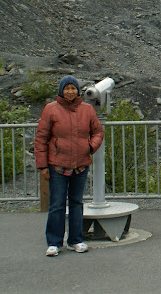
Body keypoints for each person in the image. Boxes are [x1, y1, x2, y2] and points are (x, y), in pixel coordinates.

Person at [34, 75, 104, 257]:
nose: (70, 91)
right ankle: (54, 242)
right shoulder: (50, 109)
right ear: (61, 90)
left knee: (76, 203)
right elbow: (41, 138)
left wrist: (90, 147)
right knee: (57, 204)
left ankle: (75, 240)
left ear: (78, 90)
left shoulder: (87, 110)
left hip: (80, 165)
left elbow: (98, 131)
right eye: (67, 88)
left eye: (73, 88)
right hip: (57, 165)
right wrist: (42, 166)